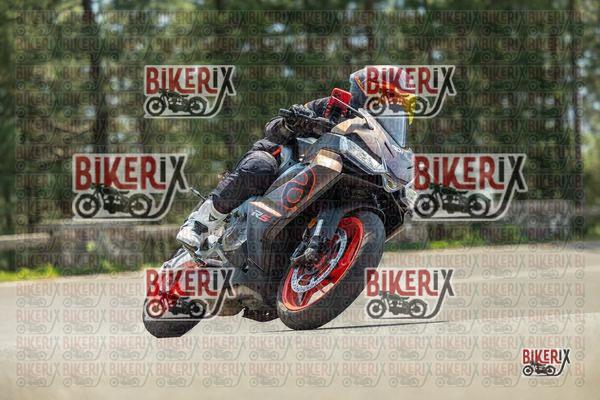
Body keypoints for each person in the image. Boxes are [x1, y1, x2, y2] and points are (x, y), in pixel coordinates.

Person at [176, 68, 407, 252]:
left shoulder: (382, 140)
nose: (394, 106)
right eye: (390, 98)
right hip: (291, 162)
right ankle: (199, 224)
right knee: (260, 165)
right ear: (370, 92)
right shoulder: (334, 106)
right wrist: (292, 123)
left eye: (401, 103)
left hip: (333, 180)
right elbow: (272, 128)